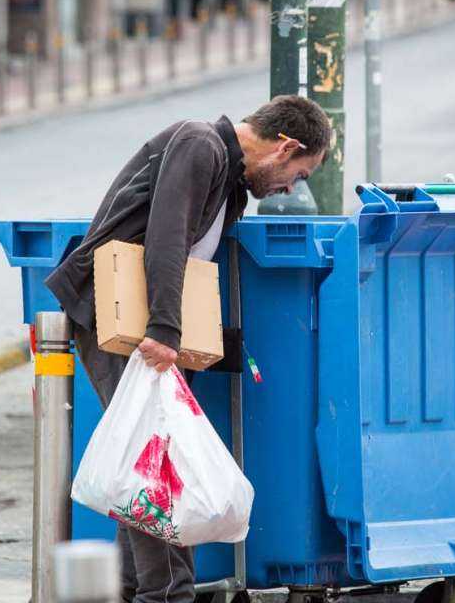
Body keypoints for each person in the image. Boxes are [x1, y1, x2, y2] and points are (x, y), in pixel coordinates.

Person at [45, 95, 332, 602]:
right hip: (122, 320)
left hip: (146, 326)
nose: (290, 187)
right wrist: (164, 330)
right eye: (299, 174)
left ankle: (137, 591)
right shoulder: (201, 145)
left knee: (145, 462)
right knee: (156, 464)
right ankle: (168, 596)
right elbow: (167, 236)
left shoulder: (229, 180)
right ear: (284, 146)